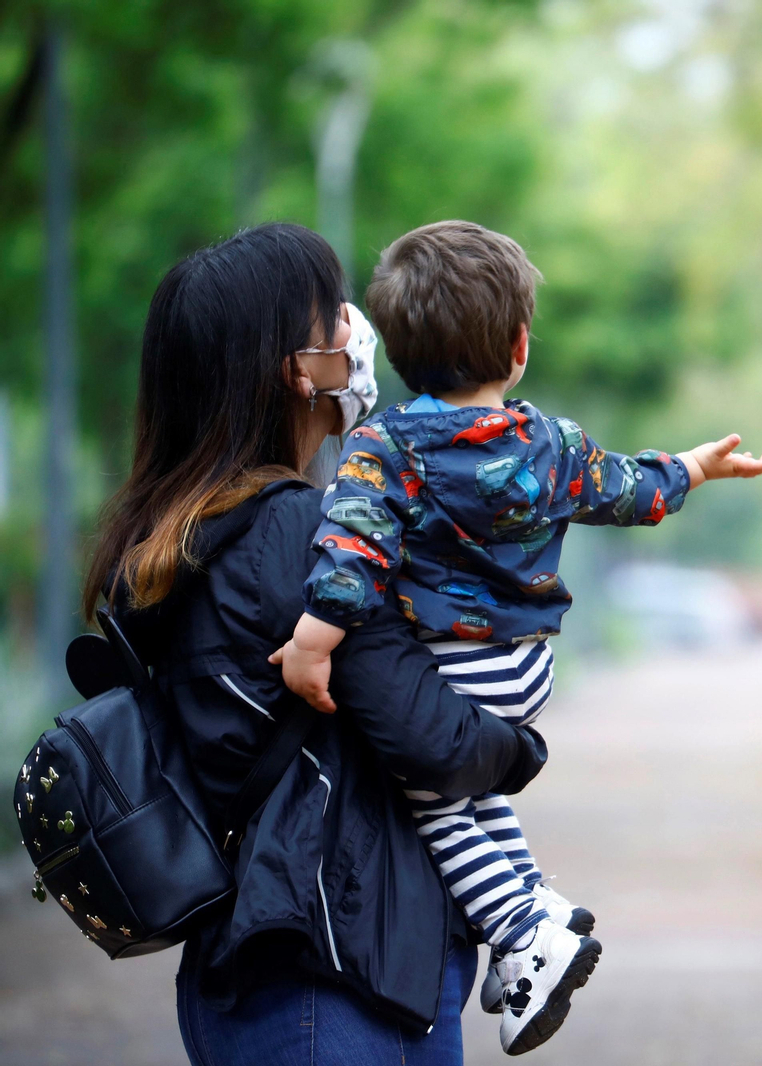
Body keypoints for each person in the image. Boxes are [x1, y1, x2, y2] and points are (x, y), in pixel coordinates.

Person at [270, 220, 762, 1055]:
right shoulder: (551, 442)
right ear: (518, 346)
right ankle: (539, 902)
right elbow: (628, 490)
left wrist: (311, 642)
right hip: (528, 670)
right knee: (474, 796)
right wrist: (694, 466)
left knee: (428, 797)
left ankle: (517, 931)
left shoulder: (385, 446)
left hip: (452, 669)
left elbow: (351, 551)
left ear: (394, 350)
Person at [82, 222, 547, 1066]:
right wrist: (520, 744)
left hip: (287, 961)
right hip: (331, 968)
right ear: (299, 371)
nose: (354, 331)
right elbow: (433, 738)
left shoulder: (174, 540)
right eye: (333, 315)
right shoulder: (305, 538)